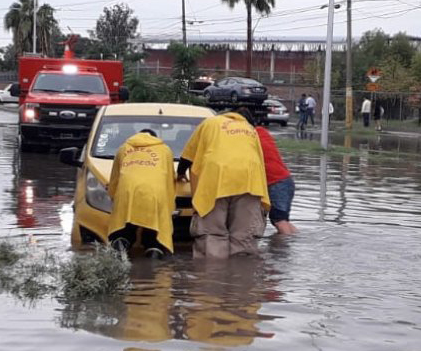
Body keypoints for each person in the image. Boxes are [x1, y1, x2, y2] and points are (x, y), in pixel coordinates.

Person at [178, 108, 270, 259]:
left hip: (215, 179)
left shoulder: (210, 123)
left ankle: (214, 276)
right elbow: (260, 161)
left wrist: (180, 173)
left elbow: (187, 156)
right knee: (243, 235)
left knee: (212, 234)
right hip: (250, 181)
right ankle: (240, 275)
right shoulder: (249, 129)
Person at [107, 129, 175, 259]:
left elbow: (114, 178)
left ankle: (119, 252)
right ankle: (153, 257)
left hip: (126, 191)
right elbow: (169, 178)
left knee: (124, 226)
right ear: (155, 138)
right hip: (154, 191)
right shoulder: (165, 150)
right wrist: (169, 203)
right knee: (154, 229)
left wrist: (113, 195)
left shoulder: (123, 148)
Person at [255, 125, 297, 235]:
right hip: (286, 181)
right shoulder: (262, 131)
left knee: (279, 221)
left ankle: (286, 246)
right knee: (282, 220)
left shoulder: (249, 137)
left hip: (277, 183)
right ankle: (293, 238)